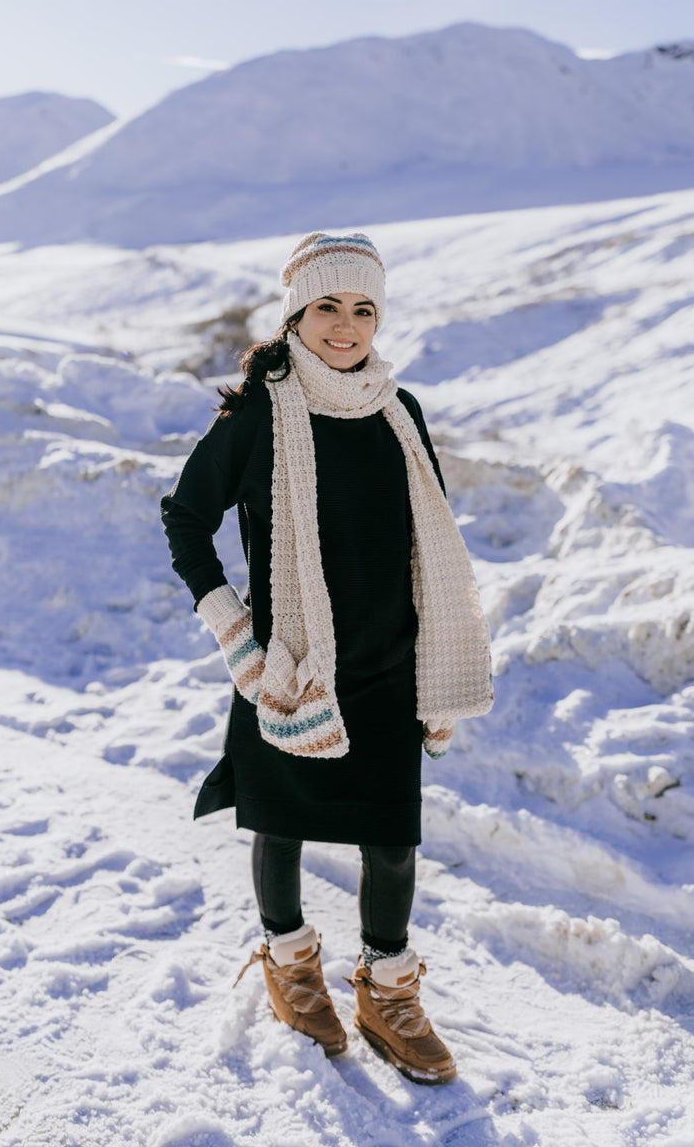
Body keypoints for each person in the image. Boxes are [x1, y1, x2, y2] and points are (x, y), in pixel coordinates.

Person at [161, 231, 493, 1084]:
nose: (346, 326)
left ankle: (388, 992)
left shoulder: (398, 409)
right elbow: (185, 517)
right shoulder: (258, 415)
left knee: (392, 841)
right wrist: (233, 630)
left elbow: (426, 540)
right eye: (328, 307)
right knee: (281, 823)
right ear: (296, 315)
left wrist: (438, 654)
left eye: (363, 309)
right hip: (291, 664)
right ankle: (290, 963)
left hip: (389, 666)